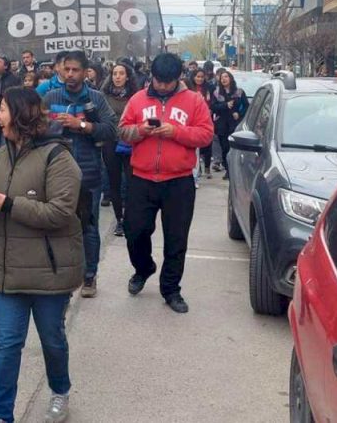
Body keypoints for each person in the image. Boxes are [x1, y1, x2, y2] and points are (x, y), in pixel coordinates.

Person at [0, 87, 82, 423]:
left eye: (2, 109)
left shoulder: (57, 156)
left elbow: (60, 212)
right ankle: (1, 416)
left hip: (49, 271)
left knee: (52, 340)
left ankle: (59, 391)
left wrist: (7, 203)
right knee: (6, 345)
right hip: (7, 271)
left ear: (20, 115)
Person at [119, 53, 214, 313]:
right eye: (158, 81)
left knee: (176, 239)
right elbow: (123, 131)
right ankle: (143, 267)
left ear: (178, 78)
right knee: (135, 232)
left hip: (179, 181)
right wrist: (140, 130)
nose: (161, 86)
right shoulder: (138, 99)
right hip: (142, 178)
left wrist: (176, 131)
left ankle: (171, 289)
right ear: (152, 76)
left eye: (167, 82)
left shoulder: (193, 101)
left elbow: (206, 135)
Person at [42, 50, 117, 298]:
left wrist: (82, 125)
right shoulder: (50, 95)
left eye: (75, 70)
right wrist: (55, 125)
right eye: (66, 69)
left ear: (85, 73)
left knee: (88, 227)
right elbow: (36, 127)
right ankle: (60, 272)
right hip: (55, 172)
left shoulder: (96, 99)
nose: (70, 74)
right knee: (55, 224)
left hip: (88, 174)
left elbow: (110, 129)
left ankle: (89, 276)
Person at [101, 62, 137, 237]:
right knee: (114, 181)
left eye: (121, 73)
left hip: (130, 142)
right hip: (110, 142)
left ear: (127, 76)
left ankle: (131, 218)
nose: (117, 77)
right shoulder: (104, 95)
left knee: (131, 182)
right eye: (115, 73)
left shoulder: (135, 96)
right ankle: (119, 220)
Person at [210, 70, 248, 180]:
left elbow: (246, 106)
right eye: (222, 77)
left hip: (235, 124)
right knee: (224, 148)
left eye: (226, 77)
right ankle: (227, 170)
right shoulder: (217, 93)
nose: (224, 79)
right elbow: (213, 107)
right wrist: (225, 105)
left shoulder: (239, 92)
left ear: (230, 78)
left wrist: (239, 114)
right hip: (222, 124)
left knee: (234, 148)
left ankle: (235, 171)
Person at [187, 68, 213, 181]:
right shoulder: (190, 89)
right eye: (197, 77)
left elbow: (214, 101)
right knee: (196, 147)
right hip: (194, 119)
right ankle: (196, 171)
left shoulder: (209, 88)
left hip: (208, 118)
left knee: (207, 144)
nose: (200, 79)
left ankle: (207, 166)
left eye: (202, 77)